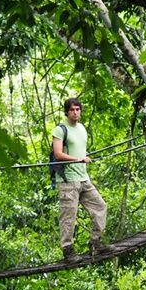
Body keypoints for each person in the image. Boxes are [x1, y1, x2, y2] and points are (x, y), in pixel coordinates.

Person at [52, 97, 107, 260]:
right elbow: (58, 154)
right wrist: (78, 159)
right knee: (69, 217)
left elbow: (79, 151)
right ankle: (68, 251)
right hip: (68, 181)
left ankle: (96, 242)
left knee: (100, 207)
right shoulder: (60, 130)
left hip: (84, 178)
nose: (75, 112)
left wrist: (83, 157)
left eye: (77, 109)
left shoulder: (82, 128)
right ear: (66, 112)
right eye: (72, 110)